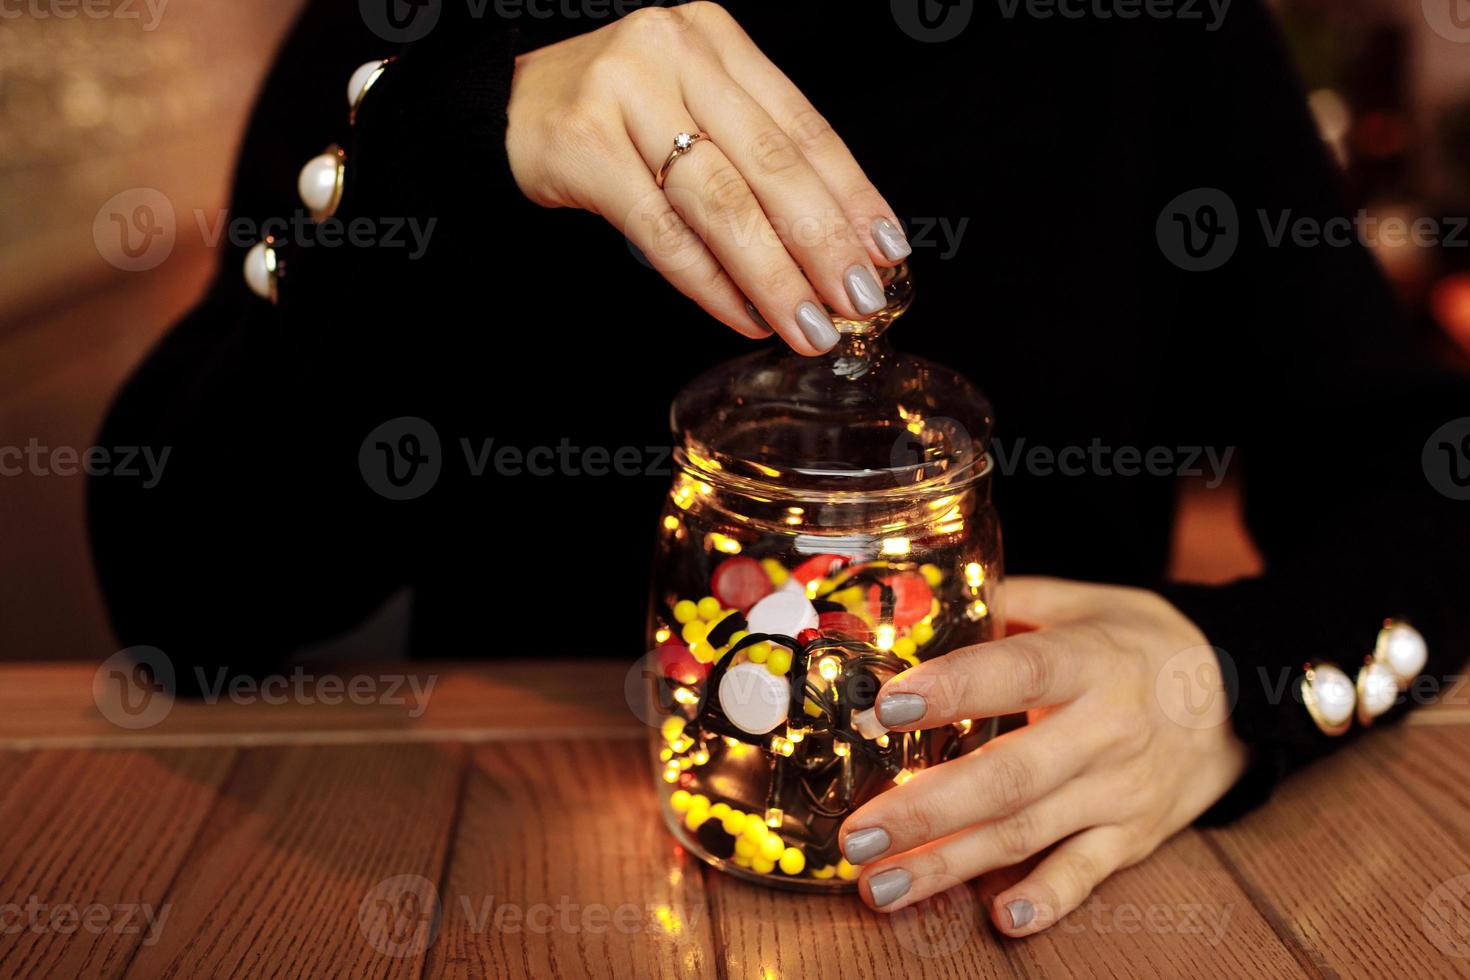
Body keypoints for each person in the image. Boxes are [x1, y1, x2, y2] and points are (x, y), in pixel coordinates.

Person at [88, 0, 1470, 935]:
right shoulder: (438, 31)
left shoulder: (1154, 38)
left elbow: (1420, 471)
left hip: (1042, 906)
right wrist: (446, 152)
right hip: (520, 894)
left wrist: (1225, 680)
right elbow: (179, 588)